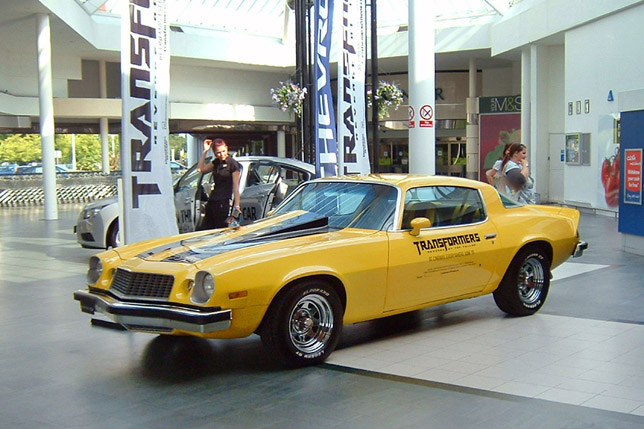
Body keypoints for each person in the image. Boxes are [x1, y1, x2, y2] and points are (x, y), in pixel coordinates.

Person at [197, 138, 242, 229]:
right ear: (214, 153)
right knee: (206, 229)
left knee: (222, 229)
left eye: (223, 151)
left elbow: (236, 186)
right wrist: (205, 151)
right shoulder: (216, 162)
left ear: (227, 148)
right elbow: (200, 169)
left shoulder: (233, 164)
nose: (222, 155)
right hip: (213, 201)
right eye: (218, 153)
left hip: (224, 202)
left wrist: (237, 205)